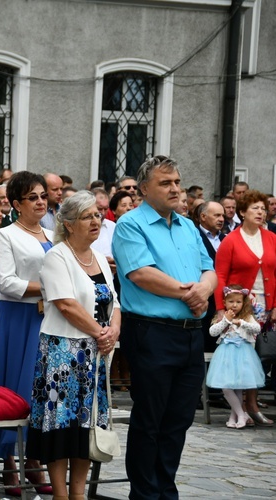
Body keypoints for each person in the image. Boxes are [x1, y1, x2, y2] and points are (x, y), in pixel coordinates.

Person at [112, 155, 216, 500]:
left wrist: (204, 289)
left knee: (178, 421)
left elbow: (209, 269)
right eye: (166, 183)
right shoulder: (131, 224)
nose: (175, 189)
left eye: (177, 182)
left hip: (189, 334)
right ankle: (144, 494)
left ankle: (165, 490)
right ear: (144, 189)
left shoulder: (188, 226)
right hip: (151, 332)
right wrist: (190, 294)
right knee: (150, 420)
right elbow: (140, 273)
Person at [28, 191, 120, 500]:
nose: (96, 221)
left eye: (97, 215)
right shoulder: (57, 256)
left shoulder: (98, 258)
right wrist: (101, 333)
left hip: (94, 354)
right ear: (68, 224)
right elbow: (66, 304)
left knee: (86, 424)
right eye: (87, 216)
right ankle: (60, 494)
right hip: (62, 354)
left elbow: (115, 303)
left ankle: (78, 493)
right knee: (61, 424)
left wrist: (112, 332)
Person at [0, 171, 52, 495]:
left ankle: (34, 459)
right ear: (16, 203)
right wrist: (51, 287)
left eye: (43, 196)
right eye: (32, 197)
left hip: (47, 317)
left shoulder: (53, 234)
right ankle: (9, 460)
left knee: (41, 388)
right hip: (18, 317)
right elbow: (6, 282)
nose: (40, 202)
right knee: (14, 387)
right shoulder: (5, 236)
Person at [213, 189, 276, 427]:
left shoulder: (271, 238)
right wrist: (221, 308)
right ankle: (247, 405)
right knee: (245, 356)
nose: (261, 212)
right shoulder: (231, 240)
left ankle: (252, 403)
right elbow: (220, 275)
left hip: (266, 304)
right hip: (241, 306)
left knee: (264, 355)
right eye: (255, 209)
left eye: (263, 208)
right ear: (242, 213)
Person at [205, 285, 265, 429]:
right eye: (231, 302)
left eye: (238, 302)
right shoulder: (222, 317)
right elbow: (212, 332)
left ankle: (234, 417)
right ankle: (242, 414)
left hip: (243, 354)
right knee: (227, 388)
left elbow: (257, 328)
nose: (235, 305)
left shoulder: (247, 317)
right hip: (225, 355)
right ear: (225, 303)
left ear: (243, 303)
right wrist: (225, 320)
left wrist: (242, 323)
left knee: (237, 387)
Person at [197, 201, 226, 353]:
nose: (221, 219)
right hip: (204, 301)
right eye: (216, 215)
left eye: (222, 215)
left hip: (224, 301)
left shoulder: (226, 238)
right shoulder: (194, 237)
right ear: (203, 217)